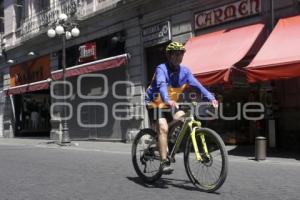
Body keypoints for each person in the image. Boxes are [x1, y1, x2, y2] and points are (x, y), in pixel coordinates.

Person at [145, 41, 218, 174]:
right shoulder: (161, 68)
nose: (179, 57)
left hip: (170, 102)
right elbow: (161, 85)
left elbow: (197, 85)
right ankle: (164, 162)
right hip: (154, 102)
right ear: (170, 56)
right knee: (163, 127)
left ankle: (167, 141)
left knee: (182, 118)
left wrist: (210, 97)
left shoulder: (185, 72)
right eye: (176, 54)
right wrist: (167, 99)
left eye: (181, 54)